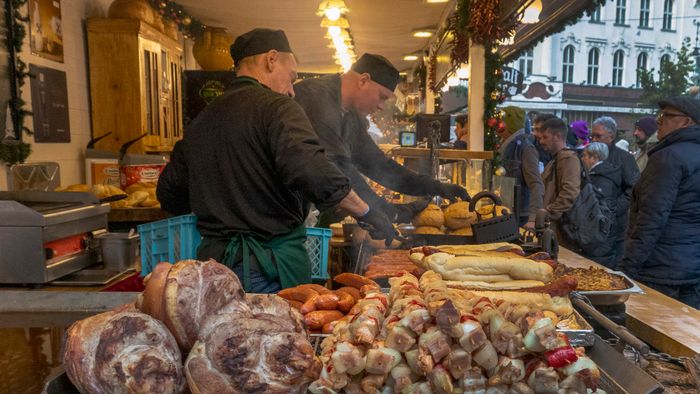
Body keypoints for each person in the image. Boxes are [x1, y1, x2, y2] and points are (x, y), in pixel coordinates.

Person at [157, 28, 395, 293]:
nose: (292, 91)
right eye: (292, 78)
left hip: (212, 271)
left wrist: (222, 203)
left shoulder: (202, 119)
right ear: (271, 60)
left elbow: (169, 194)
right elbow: (314, 172)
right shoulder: (278, 108)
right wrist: (367, 212)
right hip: (268, 269)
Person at [293, 53, 469, 225]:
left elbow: (379, 165)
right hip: (281, 217)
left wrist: (435, 187)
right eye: (382, 97)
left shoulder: (351, 117)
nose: (380, 106)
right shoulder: (315, 97)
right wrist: (387, 211)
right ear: (363, 80)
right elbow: (338, 167)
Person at [619, 96, 700, 308]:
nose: (659, 121)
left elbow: (651, 217)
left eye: (666, 116)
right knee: (685, 335)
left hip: (660, 268)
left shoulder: (668, 157)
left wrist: (627, 270)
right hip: (691, 268)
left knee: (648, 335)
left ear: (687, 121)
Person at [591, 116, 640, 264]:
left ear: (611, 136)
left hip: (614, 225)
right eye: (592, 135)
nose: (593, 139)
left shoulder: (624, 158)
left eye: (598, 136)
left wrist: (614, 208)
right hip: (591, 222)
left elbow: (634, 188)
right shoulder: (589, 155)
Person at [537, 116, 581, 245]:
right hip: (555, 228)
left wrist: (549, 211)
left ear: (557, 136)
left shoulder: (568, 159)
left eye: (545, 137)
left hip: (562, 231)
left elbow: (570, 191)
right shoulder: (556, 159)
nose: (541, 141)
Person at [497, 106, 544, 227]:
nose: (497, 125)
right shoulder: (505, 145)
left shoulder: (525, 148)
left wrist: (533, 218)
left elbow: (536, 184)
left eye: (501, 121)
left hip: (519, 217)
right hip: (505, 212)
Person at [581, 142, 621, 267]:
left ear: (594, 158)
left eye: (585, 155)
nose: (582, 159)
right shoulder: (606, 174)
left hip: (601, 238)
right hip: (606, 236)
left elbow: (601, 210)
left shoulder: (601, 178)